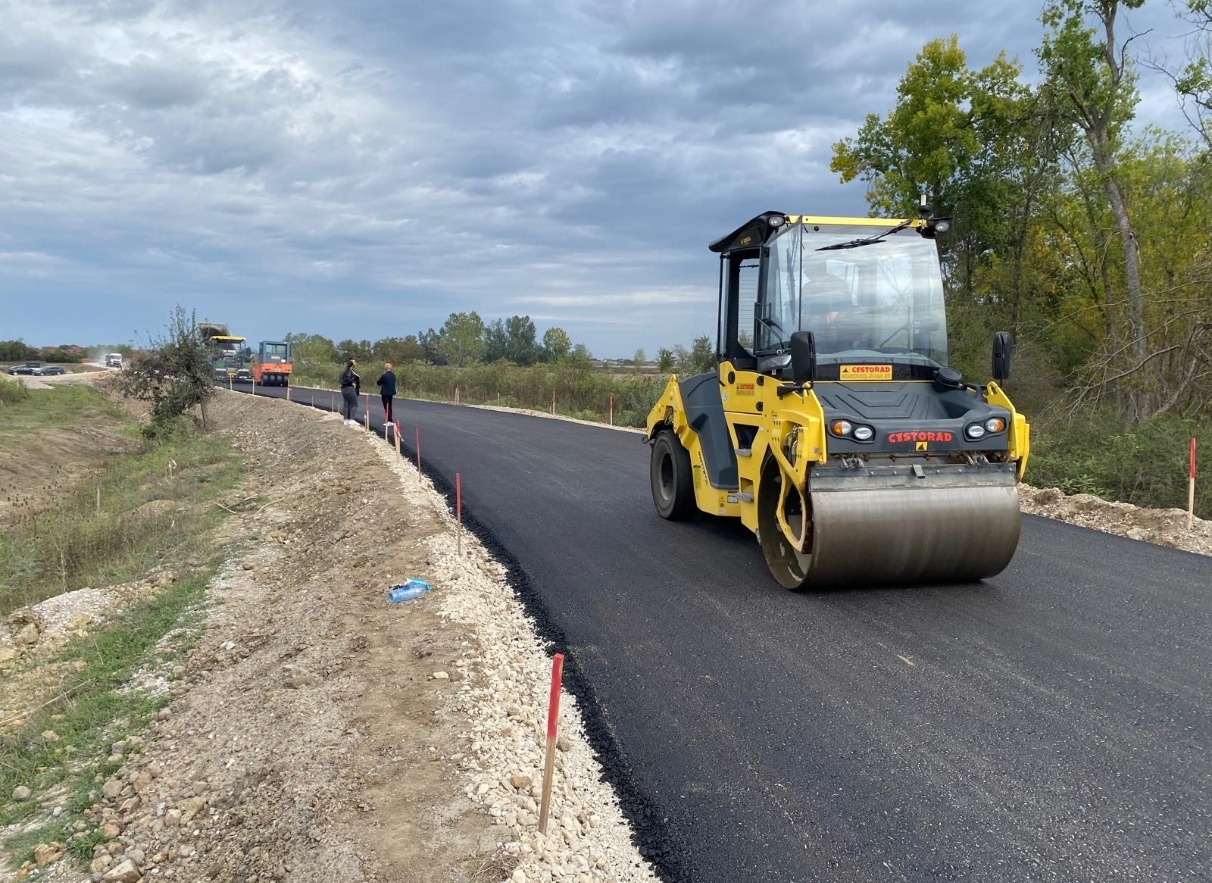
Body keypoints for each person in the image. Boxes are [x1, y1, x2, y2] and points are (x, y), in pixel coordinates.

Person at [339, 359, 361, 425]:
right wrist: (352, 383)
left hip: (344, 389)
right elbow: (348, 379)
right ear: (351, 363)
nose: (355, 363)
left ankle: (346, 420)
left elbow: (340, 380)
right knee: (355, 404)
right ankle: (351, 419)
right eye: (354, 362)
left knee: (346, 404)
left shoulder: (343, 372)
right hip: (350, 389)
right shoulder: (350, 371)